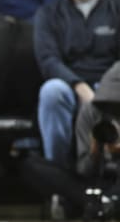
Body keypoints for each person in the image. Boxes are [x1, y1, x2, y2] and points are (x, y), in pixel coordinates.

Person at [34, 0, 120, 169]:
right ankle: (58, 177)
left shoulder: (116, 6)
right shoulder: (48, 13)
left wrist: (104, 91)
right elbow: (48, 60)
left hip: (112, 85)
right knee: (51, 92)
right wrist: (79, 87)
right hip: (70, 86)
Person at [21, 61, 120, 220]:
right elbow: (83, 170)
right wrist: (94, 151)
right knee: (32, 165)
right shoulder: (92, 111)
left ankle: (99, 203)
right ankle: (100, 202)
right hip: (92, 183)